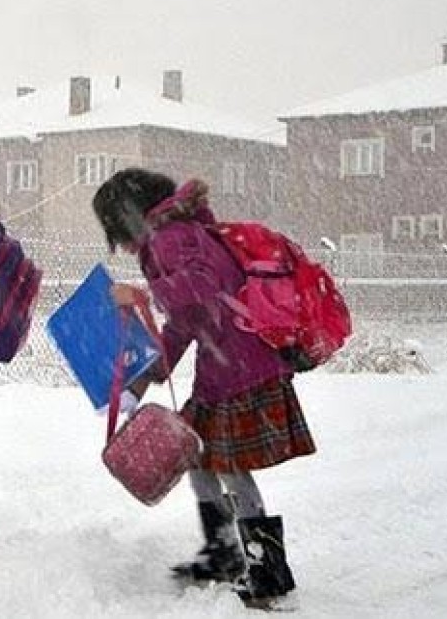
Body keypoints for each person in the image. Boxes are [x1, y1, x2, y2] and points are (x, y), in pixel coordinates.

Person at [93, 168, 315, 606]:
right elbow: (187, 319)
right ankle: (225, 552)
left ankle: (267, 572)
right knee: (199, 457)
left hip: (239, 367)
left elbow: (202, 285)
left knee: (231, 467)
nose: (117, 240)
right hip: (226, 364)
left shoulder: (169, 237)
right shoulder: (175, 234)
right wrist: (153, 372)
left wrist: (142, 292)